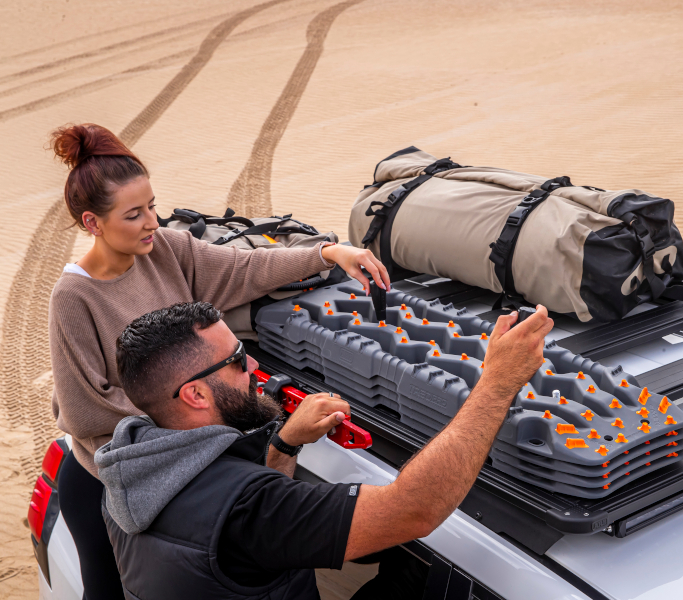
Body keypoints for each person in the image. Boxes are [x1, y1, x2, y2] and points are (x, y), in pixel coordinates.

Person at [48, 123, 391, 600]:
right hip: (107, 481)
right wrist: (192, 411)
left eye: (152, 206)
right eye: (134, 214)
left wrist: (328, 253)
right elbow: (86, 412)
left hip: (181, 463)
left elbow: (244, 269)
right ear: (93, 222)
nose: (152, 222)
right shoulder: (73, 297)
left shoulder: (165, 250)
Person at [96, 300, 552, 599]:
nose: (253, 364)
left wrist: (284, 443)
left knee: (405, 567)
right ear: (195, 394)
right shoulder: (250, 510)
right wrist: (497, 382)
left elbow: (243, 530)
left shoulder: (129, 468)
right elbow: (414, 511)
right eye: (236, 360)